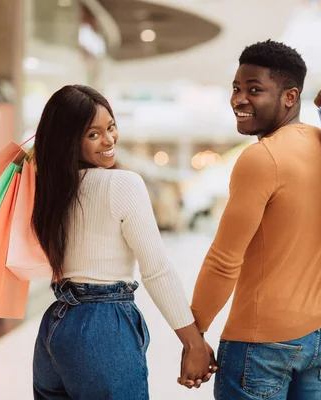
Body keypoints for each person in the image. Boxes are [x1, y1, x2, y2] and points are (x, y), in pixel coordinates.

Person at [187, 40, 321, 399]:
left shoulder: (261, 158)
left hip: (263, 345)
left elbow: (223, 261)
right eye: (236, 88)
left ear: (290, 96)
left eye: (254, 90)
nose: (238, 99)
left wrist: (193, 335)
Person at [31, 84, 215, 399]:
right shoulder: (122, 183)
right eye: (93, 134)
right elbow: (156, 269)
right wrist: (192, 342)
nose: (109, 140)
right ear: (68, 141)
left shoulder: (46, 189)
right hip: (104, 327)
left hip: (55, 327)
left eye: (111, 127)